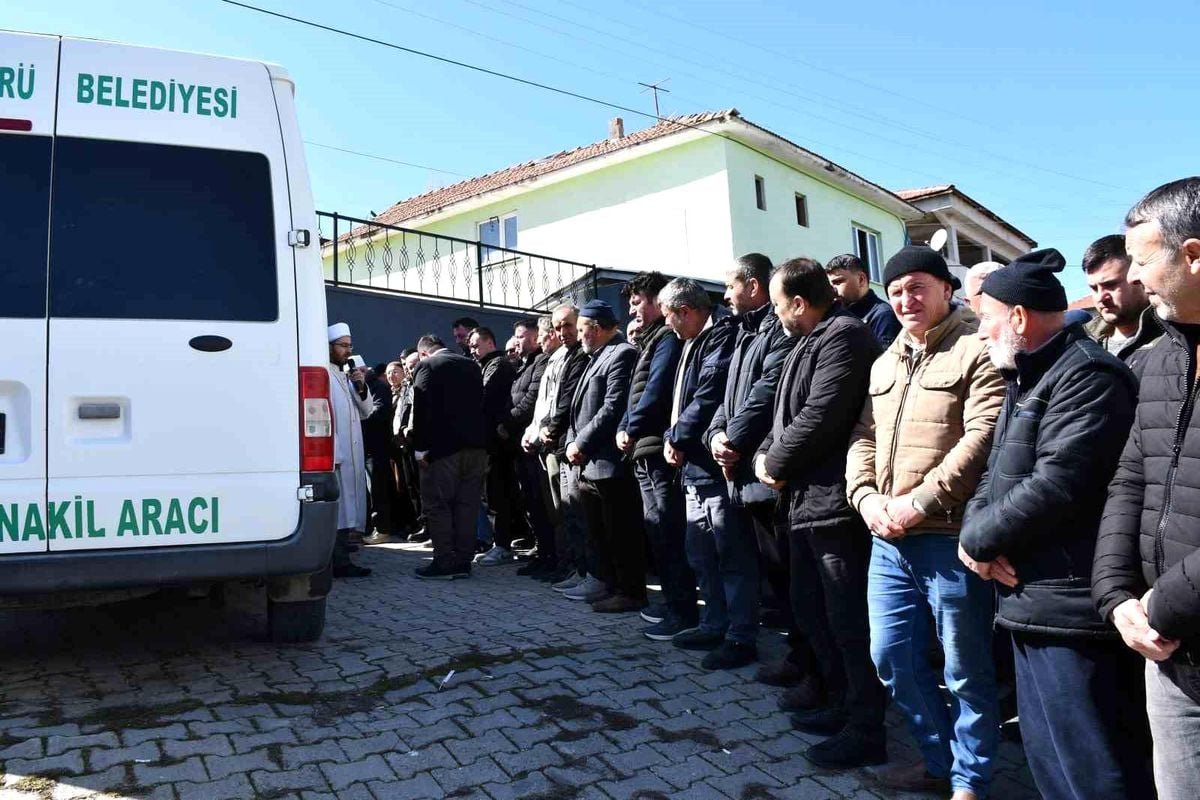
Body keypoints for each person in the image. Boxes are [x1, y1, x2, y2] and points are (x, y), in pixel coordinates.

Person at [959, 249, 1150, 799]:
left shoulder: (1088, 375)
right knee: (1050, 766)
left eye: (986, 319)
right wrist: (974, 541)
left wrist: (976, 539)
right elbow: (994, 475)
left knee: (1095, 770)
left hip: (1071, 609)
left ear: (1018, 317)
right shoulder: (1027, 376)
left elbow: (1058, 483)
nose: (980, 333)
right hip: (1029, 602)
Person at [846, 246, 1005, 799]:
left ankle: (970, 779)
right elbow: (863, 436)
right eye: (896, 291)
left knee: (965, 670)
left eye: (917, 287)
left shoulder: (976, 348)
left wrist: (921, 502)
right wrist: (866, 498)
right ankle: (938, 760)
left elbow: (982, 437)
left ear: (945, 289)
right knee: (891, 657)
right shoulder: (886, 360)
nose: (905, 299)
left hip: (947, 537)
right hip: (887, 538)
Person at [753, 258, 885, 768]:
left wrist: (775, 462)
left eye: (779, 303)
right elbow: (784, 415)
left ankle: (866, 725)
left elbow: (822, 414)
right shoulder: (809, 341)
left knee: (847, 619)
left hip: (833, 506)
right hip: (803, 503)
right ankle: (837, 701)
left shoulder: (844, 337)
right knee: (813, 611)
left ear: (799, 303)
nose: (776, 312)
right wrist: (767, 453)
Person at [1093, 177, 1200, 800]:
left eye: (1142, 260)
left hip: (1170, 621)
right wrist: (1114, 593)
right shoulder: (1159, 359)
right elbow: (1131, 475)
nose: (1135, 278)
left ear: (1192, 255)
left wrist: (1159, 608)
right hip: (1171, 661)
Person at [705, 254, 804, 683]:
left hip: (762, 471)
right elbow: (726, 399)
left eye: (731, 285)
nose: (725, 295)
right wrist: (716, 434)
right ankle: (745, 640)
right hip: (736, 468)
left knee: (786, 574)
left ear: (754, 286)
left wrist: (733, 441)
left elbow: (766, 394)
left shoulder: (777, 331)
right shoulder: (741, 334)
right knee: (740, 561)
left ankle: (804, 659)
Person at [660, 278, 750, 669]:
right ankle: (714, 623)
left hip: (713, 468)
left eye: (669, 318)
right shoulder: (690, 342)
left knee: (730, 553)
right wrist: (672, 434)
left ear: (686, 311)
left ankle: (741, 634)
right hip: (693, 468)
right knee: (701, 553)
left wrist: (677, 436)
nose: (668, 326)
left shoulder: (719, 338)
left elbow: (707, 394)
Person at [617, 271, 691, 639]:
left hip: (657, 448)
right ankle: (674, 603)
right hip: (644, 448)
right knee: (658, 531)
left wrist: (630, 427)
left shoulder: (665, 339)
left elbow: (656, 390)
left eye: (637, 302)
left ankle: (683, 610)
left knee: (668, 530)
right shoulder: (651, 340)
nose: (633, 311)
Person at [563, 300, 644, 611]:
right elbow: (579, 410)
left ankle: (630, 591)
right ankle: (607, 583)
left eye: (582, 329)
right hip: (590, 464)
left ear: (595, 329)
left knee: (620, 532)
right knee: (599, 533)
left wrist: (581, 442)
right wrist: (574, 440)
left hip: (609, 462)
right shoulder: (596, 356)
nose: (579, 336)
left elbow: (612, 407)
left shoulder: (621, 353)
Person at [410, 334, 487, 579]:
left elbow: (421, 409)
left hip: (443, 451)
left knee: (438, 505)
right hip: (476, 448)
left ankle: (443, 561)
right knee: (468, 506)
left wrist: (420, 448)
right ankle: (464, 561)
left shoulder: (427, 366)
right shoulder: (471, 365)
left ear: (423, 353)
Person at [541, 305, 591, 588]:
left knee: (577, 515)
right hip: (560, 444)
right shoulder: (566, 356)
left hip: (573, 445)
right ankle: (575, 569)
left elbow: (568, 400)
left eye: (567, 325)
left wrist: (551, 427)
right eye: (557, 327)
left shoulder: (583, 355)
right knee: (566, 514)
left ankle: (584, 571)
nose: (562, 333)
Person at [470, 326, 527, 565]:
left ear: (490, 343)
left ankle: (502, 544)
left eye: (475, 344)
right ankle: (502, 542)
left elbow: (485, 399)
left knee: (498, 494)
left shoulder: (498, 366)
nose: (471, 350)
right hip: (492, 442)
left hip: (499, 443)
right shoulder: (486, 366)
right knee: (495, 494)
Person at [326, 323, 377, 578]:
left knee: (350, 505)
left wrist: (362, 385)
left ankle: (344, 554)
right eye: (343, 346)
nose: (348, 351)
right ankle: (338, 560)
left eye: (350, 346)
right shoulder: (323, 374)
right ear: (329, 347)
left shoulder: (346, 377)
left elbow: (367, 411)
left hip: (353, 451)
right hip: (337, 453)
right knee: (341, 508)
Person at [507, 318, 555, 576]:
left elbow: (532, 399)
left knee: (545, 506)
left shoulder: (542, 361)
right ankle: (543, 551)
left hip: (536, 444)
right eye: (516, 336)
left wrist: (507, 420)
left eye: (522, 336)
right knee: (533, 504)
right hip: (522, 444)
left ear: (537, 336)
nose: (517, 341)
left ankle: (553, 556)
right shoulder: (525, 364)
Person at [520, 317, 565, 578]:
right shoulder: (548, 361)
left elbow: (556, 406)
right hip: (538, 441)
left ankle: (565, 563)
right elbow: (541, 407)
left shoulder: (567, 358)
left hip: (553, 443)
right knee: (546, 508)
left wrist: (541, 431)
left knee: (561, 511)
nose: (540, 340)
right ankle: (550, 557)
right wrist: (531, 432)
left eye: (544, 335)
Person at [1081, 233, 1161, 374]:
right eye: (1094, 288)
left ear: (1139, 279)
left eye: (1110, 285)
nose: (1101, 297)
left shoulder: (1175, 340)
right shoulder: (1082, 343)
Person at [824, 253, 901, 348]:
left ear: (861, 279)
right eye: (830, 285)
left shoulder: (883, 315)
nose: (833, 289)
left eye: (838, 282)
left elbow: (884, 359)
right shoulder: (834, 315)